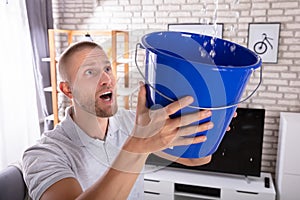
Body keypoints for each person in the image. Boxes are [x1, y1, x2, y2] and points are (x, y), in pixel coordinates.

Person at [22, 41, 215, 200]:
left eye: (107, 68)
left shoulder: (132, 123)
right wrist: (137, 146)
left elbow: (195, 158)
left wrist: (214, 121)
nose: (107, 79)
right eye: (90, 72)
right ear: (67, 90)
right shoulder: (43, 154)